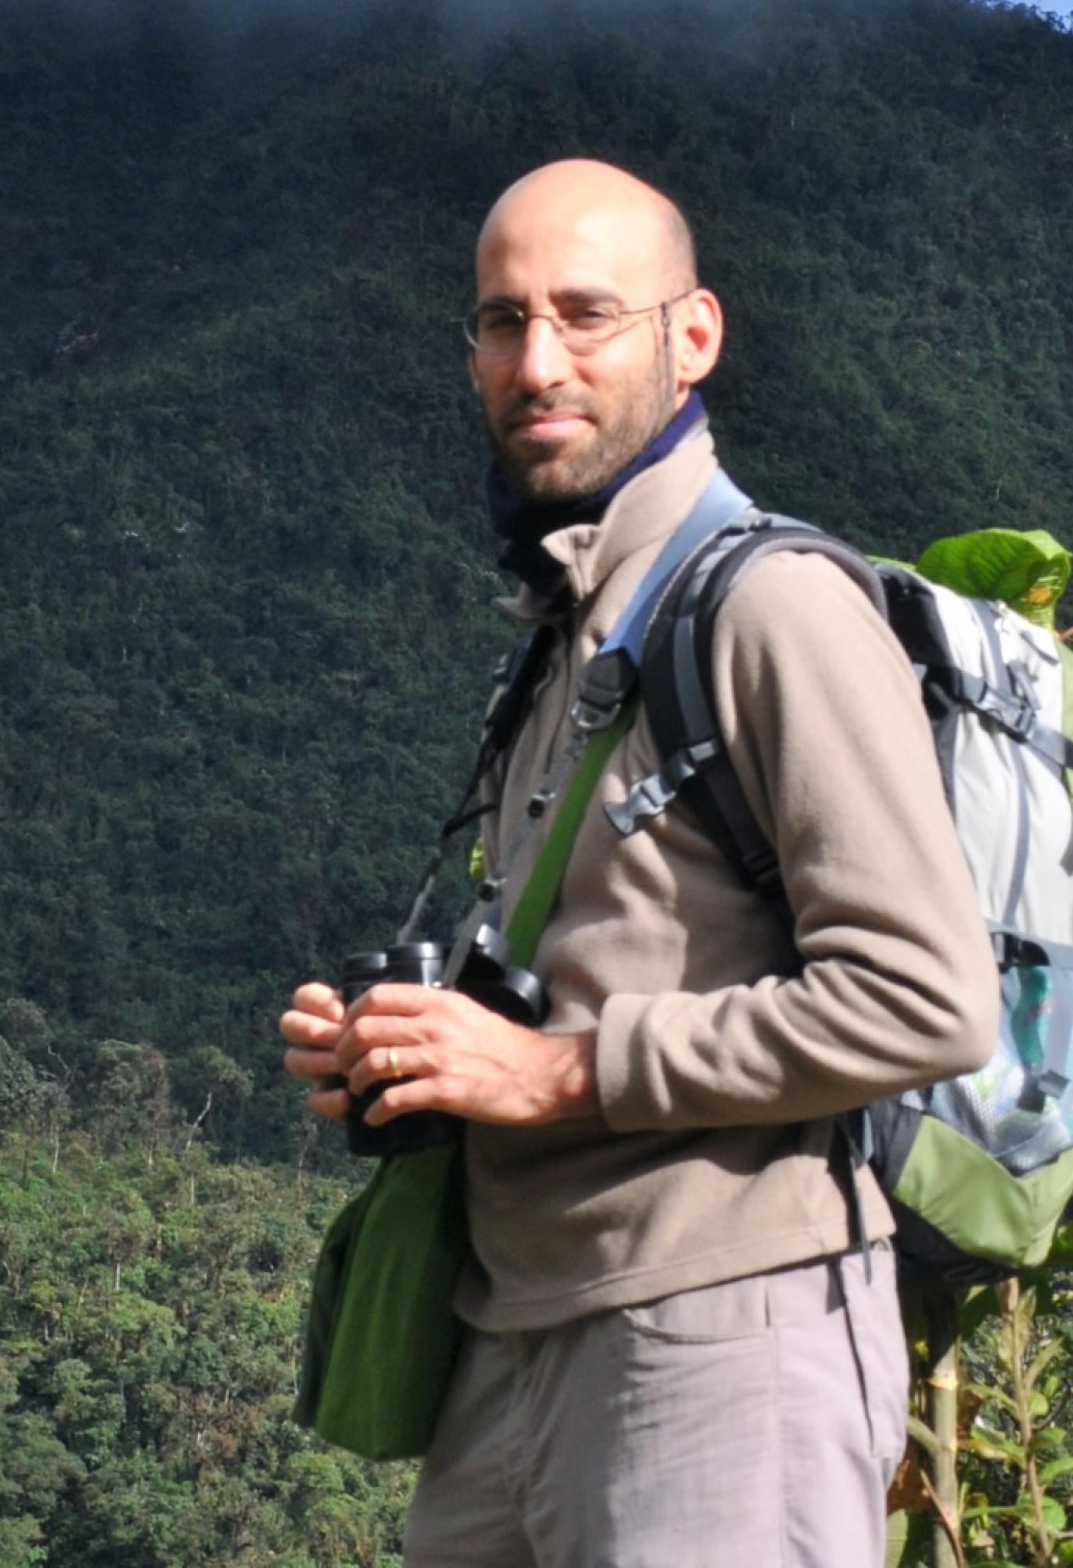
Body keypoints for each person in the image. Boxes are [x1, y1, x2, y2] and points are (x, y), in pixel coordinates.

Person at [279, 158, 995, 1567]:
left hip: (726, 1333)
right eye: (501, 321)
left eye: (585, 313)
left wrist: (558, 1071)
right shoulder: (563, 634)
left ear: (694, 335)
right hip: (507, 1338)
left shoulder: (773, 605)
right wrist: (407, 1050)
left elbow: (927, 999)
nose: (536, 361)